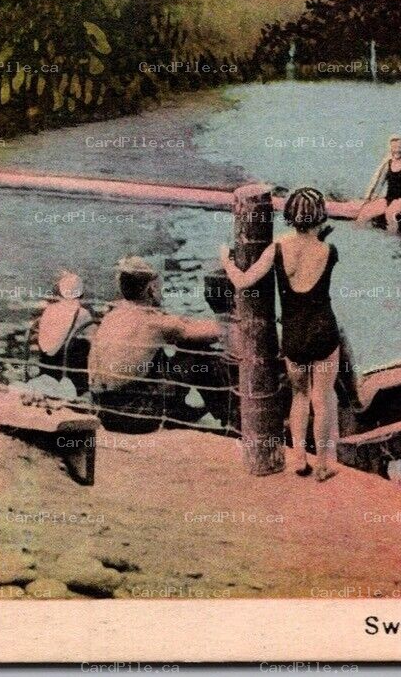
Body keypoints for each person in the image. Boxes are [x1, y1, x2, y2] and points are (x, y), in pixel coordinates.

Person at [220, 187, 345, 480]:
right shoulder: (329, 251)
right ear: (320, 216)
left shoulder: (277, 248)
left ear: (289, 215)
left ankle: (300, 459)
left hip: (293, 335)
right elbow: (315, 253)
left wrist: (226, 259)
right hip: (323, 330)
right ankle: (324, 464)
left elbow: (243, 280)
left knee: (299, 395)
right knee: (322, 397)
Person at [87, 258, 224, 433]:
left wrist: (177, 322)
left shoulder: (113, 315)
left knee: (157, 355)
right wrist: (235, 323)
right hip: (135, 415)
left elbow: (174, 324)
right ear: (151, 288)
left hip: (102, 410)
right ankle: (228, 416)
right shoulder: (153, 323)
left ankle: (181, 409)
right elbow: (215, 332)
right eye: (158, 286)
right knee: (197, 352)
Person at [31, 270, 92, 390]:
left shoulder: (49, 310)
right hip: (68, 372)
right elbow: (94, 341)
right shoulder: (83, 313)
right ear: (81, 293)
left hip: (46, 366)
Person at [356, 135, 401, 232]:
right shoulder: (388, 164)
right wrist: (371, 199)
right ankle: (357, 237)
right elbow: (380, 183)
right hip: (389, 198)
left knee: (390, 213)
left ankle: (393, 241)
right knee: (364, 212)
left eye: (399, 148)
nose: (396, 150)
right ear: (391, 148)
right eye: (394, 148)